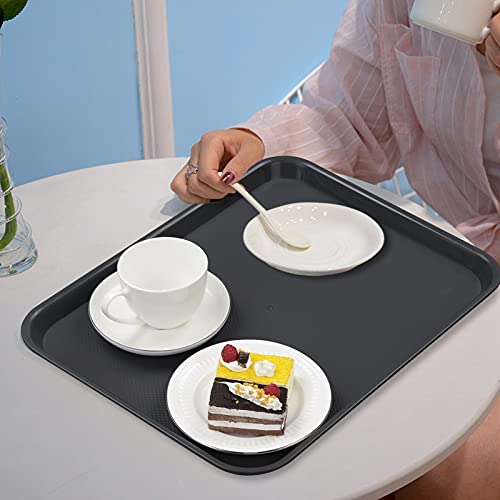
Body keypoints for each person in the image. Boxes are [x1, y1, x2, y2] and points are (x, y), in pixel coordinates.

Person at [172, 1, 500, 498]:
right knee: (342, 426)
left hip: (462, 274)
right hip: (459, 266)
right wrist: (255, 142)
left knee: (435, 471)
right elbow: (349, 121)